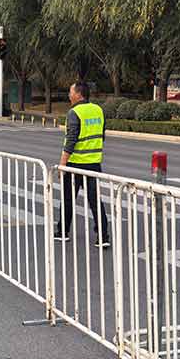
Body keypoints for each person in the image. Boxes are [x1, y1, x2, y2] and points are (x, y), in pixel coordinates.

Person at [56, 81, 110, 247]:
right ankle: (103, 236)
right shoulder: (98, 110)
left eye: (70, 92)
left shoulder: (74, 113)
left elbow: (71, 140)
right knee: (95, 201)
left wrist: (62, 165)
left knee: (67, 199)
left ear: (78, 94)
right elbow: (101, 135)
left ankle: (63, 232)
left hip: (75, 163)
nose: (69, 95)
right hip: (94, 163)